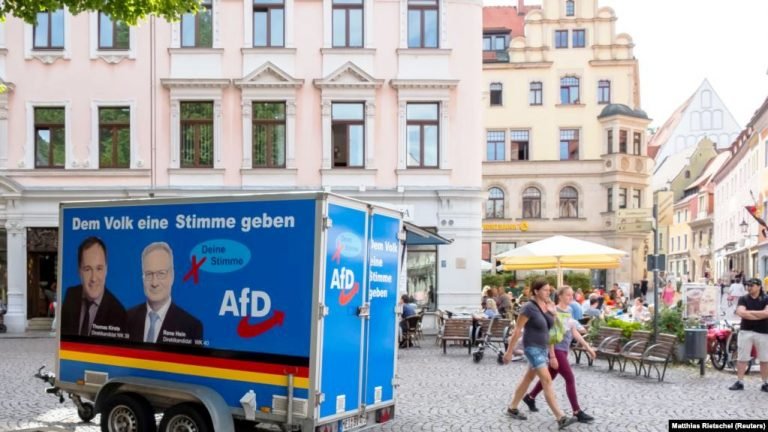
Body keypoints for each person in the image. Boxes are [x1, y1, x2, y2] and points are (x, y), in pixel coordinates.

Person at [502, 279, 577, 429]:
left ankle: (512, 407)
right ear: (536, 291)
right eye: (545, 290)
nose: (548, 293)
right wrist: (509, 351)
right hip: (532, 348)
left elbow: (554, 329)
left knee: (528, 378)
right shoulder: (528, 308)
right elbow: (517, 330)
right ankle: (560, 417)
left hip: (543, 348)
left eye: (549, 290)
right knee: (547, 380)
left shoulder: (546, 306)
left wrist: (554, 313)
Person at [523, 286, 596, 424]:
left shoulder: (569, 311)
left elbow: (574, 332)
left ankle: (530, 397)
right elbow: (550, 334)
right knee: (570, 377)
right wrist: (552, 356)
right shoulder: (553, 311)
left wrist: (588, 348)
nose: (571, 297)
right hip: (556, 350)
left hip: (564, 350)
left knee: (550, 376)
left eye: (572, 295)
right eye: (568, 295)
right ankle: (577, 411)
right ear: (560, 296)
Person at [126, 242, 203, 344]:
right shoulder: (126, 318)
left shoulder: (191, 327)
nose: (154, 283)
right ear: (142, 277)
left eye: (161, 274)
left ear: (172, 275)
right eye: (148, 274)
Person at [61, 237, 126, 337]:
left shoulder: (118, 313)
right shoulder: (71, 294)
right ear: (79, 271)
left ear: (106, 270)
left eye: (99, 269)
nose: (94, 278)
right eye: (87, 269)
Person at [728, 278, 768, 392]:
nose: (749, 287)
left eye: (752, 285)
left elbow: (767, 313)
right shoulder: (743, 298)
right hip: (746, 331)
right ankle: (740, 381)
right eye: (747, 285)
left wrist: (749, 313)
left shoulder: (766, 298)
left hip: (763, 331)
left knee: (765, 359)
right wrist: (759, 314)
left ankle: (765, 382)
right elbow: (741, 313)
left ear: (759, 286)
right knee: (742, 357)